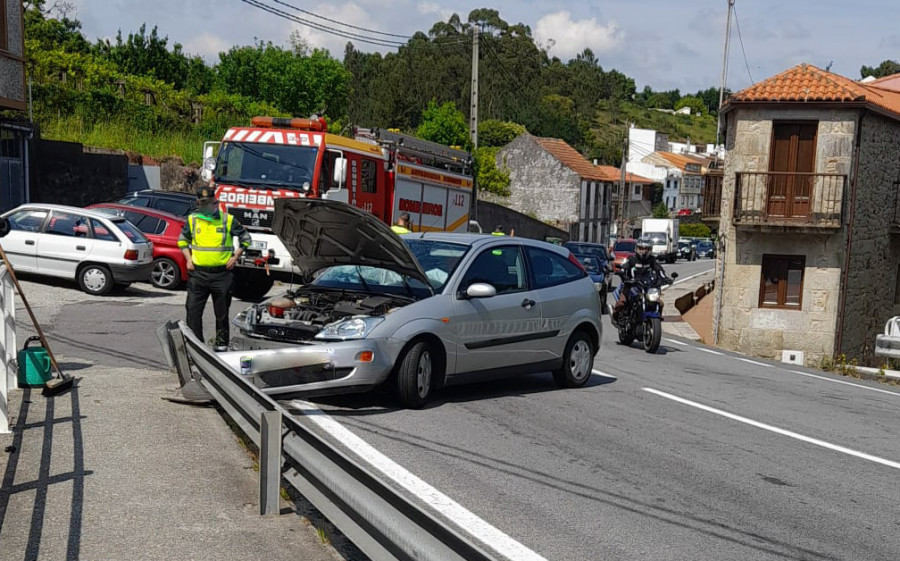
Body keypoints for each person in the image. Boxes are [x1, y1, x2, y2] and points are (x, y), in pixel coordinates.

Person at [178, 187, 252, 351]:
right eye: (202, 203)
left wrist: (235, 257)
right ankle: (196, 347)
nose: (206, 206)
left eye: (209, 203)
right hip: (198, 274)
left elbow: (246, 239)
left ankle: (221, 347)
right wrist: (188, 259)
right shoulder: (193, 220)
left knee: (222, 314)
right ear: (198, 203)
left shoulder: (227, 220)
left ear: (214, 202)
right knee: (193, 311)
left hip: (222, 275)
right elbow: (182, 241)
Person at [612, 238, 669, 321]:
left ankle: (657, 319)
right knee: (622, 303)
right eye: (641, 248)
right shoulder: (632, 259)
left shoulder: (652, 260)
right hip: (632, 285)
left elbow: (659, 269)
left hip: (647, 286)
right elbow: (625, 268)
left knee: (659, 303)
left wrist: (665, 278)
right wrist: (623, 274)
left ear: (650, 249)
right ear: (637, 249)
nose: (644, 251)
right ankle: (616, 318)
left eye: (646, 249)